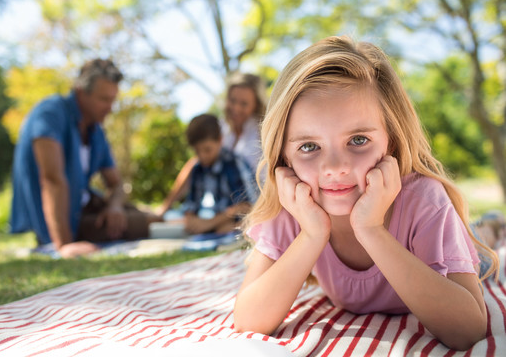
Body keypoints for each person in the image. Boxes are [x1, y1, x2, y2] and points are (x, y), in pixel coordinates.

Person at [233, 36, 499, 351]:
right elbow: (248, 320)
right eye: (309, 146)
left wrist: (371, 230)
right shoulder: (293, 206)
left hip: (452, 254)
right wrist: (312, 233)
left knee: (480, 250)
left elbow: (468, 330)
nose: (334, 167)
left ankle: (492, 227)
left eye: (358, 140)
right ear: (285, 158)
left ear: (393, 142)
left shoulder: (424, 200)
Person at [10, 58, 161, 258]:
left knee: (153, 218)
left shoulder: (95, 131)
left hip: (87, 208)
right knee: (145, 223)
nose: (110, 108)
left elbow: (116, 184)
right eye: (104, 99)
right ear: (81, 92)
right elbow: (52, 179)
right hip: (58, 221)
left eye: (113, 100)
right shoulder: (50, 114)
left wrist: (114, 207)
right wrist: (64, 245)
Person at [158, 73, 267, 216]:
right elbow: (197, 163)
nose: (236, 108)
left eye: (244, 104)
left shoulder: (263, 132)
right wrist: (165, 207)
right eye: (232, 100)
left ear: (256, 105)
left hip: (254, 207)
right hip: (225, 208)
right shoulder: (222, 127)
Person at [181, 113, 258, 235]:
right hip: (221, 222)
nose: (202, 156)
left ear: (220, 140)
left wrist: (210, 223)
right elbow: (191, 206)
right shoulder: (198, 168)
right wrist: (192, 221)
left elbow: (247, 206)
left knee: (228, 228)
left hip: (249, 220)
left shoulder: (233, 165)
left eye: (207, 149)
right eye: (197, 151)